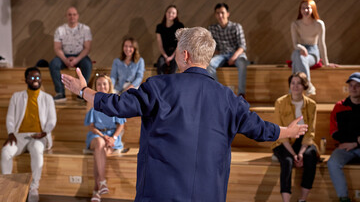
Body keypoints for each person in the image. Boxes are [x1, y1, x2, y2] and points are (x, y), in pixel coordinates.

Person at [62, 27, 308, 202]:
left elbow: (117, 106)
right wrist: (289, 130)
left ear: (185, 55)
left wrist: (83, 91)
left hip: (160, 193)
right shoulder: (228, 98)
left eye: (178, 49)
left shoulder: (159, 86)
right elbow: (260, 129)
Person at [1, 67, 56, 202]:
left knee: (37, 150)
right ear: (26, 80)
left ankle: (33, 188)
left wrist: (45, 132)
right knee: (5, 152)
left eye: (38, 77)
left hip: (39, 136)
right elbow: (10, 118)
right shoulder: (17, 96)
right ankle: (6, 185)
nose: (35, 80)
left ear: (41, 79)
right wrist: (11, 133)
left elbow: (52, 120)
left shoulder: (47, 98)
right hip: (19, 135)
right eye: (32, 77)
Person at [271, 72, 318, 202]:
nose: (295, 86)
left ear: (304, 86)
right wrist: (293, 154)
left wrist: (301, 153)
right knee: (287, 161)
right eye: (293, 83)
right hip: (284, 141)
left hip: (302, 142)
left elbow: (310, 132)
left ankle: (303, 199)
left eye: (299, 83)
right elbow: (280, 131)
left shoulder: (312, 104)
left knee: (310, 156)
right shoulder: (280, 102)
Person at [84, 74, 126, 202]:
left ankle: (97, 190)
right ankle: (101, 181)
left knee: (100, 154)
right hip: (97, 134)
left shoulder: (115, 100)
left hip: (112, 136)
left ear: (109, 86)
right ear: (95, 87)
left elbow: (121, 124)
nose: (102, 86)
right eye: (99, 84)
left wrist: (112, 138)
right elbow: (91, 127)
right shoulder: (91, 101)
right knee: (99, 143)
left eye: (104, 84)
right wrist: (103, 136)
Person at [290, 0, 338, 95]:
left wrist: (326, 62)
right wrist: (301, 47)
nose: (305, 11)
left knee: (297, 58)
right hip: (300, 50)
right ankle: (308, 86)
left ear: (313, 9)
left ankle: (293, 90)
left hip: (313, 52)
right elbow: (295, 44)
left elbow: (322, 44)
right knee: (297, 54)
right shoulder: (295, 24)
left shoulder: (319, 24)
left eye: (308, 8)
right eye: (303, 8)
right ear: (300, 10)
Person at [327, 72, 360, 202]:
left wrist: (355, 143)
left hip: (352, 145)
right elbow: (334, 132)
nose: (353, 88)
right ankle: (344, 198)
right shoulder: (339, 106)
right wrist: (356, 140)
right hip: (345, 147)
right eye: (351, 85)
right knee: (333, 163)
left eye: (357, 85)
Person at [49, 6, 93, 102]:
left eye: (74, 14)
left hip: (81, 55)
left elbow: (87, 48)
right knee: (53, 64)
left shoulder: (85, 29)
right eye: (69, 14)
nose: (72, 17)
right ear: (66, 16)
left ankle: (82, 93)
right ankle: (60, 93)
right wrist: (65, 59)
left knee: (87, 64)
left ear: (77, 16)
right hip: (64, 56)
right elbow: (57, 48)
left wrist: (77, 59)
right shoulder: (60, 30)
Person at [207, 3, 248, 97]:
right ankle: (218, 92)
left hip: (236, 54)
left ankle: (241, 93)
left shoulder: (236, 26)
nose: (220, 15)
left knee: (242, 62)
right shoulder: (212, 29)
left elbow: (242, 46)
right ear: (215, 15)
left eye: (222, 13)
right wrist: (217, 54)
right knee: (209, 64)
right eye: (218, 13)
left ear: (228, 14)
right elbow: (211, 46)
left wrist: (233, 57)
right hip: (221, 55)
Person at [155, 5, 184, 74]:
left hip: (176, 52)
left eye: (173, 13)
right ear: (166, 13)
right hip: (165, 53)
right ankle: (161, 84)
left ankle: (172, 84)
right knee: (160, 64)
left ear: (176, 15)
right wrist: (165, 56)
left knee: (175, 65)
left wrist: (171, 57)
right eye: (169, 12)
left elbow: (179, 43)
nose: (170, 14)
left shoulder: (179, 26)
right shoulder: (159, 27)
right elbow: (160, 44)